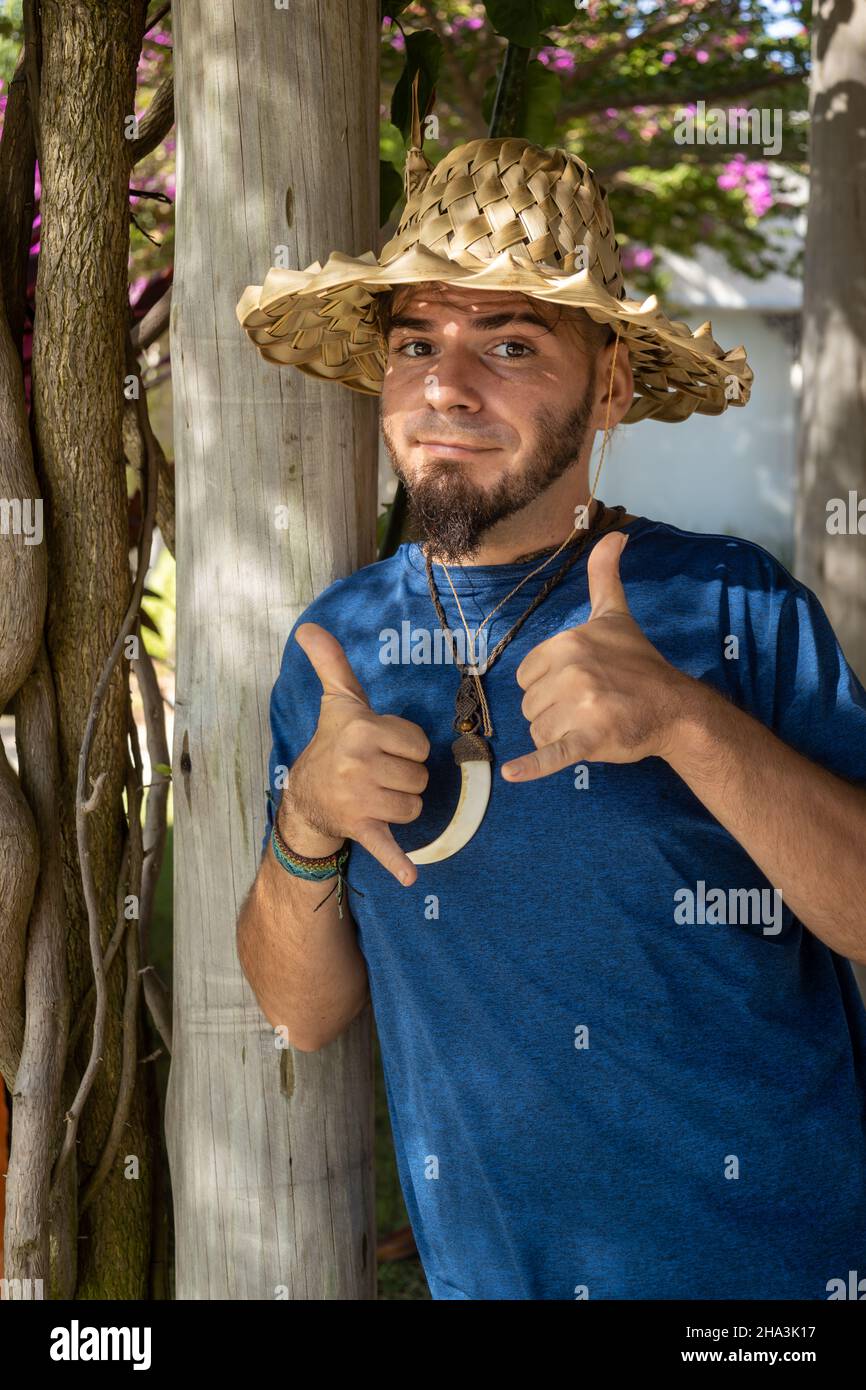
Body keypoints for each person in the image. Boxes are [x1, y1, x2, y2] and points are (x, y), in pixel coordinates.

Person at [234, 122, 866, 1300]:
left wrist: (684, 721)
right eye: (414, 340)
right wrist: (305, 826)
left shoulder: (732, 606)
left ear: (611, 384)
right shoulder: (340, 648)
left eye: (509, 343)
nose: (444, 386)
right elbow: (300, 1013)